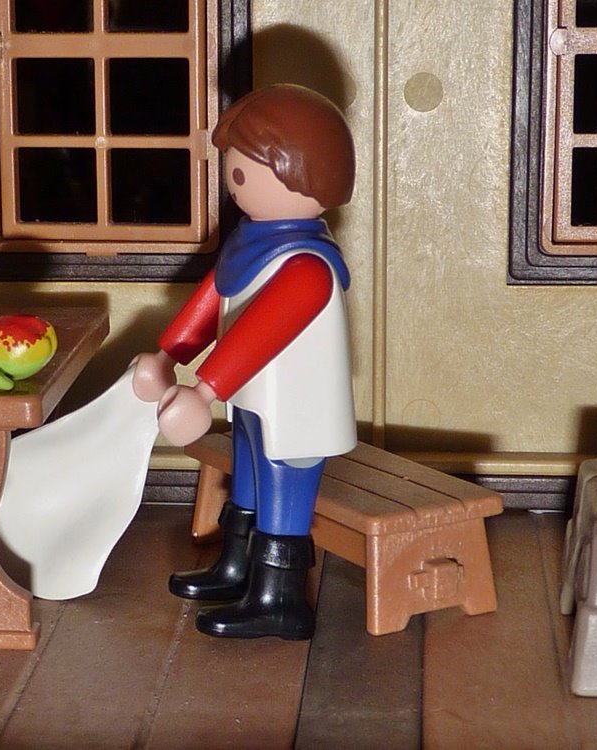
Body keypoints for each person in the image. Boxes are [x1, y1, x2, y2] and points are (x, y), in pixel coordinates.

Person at [131, 84, 356, 639]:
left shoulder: (307, 265)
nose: (232, 180)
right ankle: (237, 567)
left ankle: (279, 598)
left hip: (296, 406)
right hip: (255, 397)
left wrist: (205, 390)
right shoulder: (252, 243)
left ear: (300, 173)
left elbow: (258, 333)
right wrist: (170, 355)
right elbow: (213, 299)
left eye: (242, 168)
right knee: (249, 473)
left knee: (282, 483)